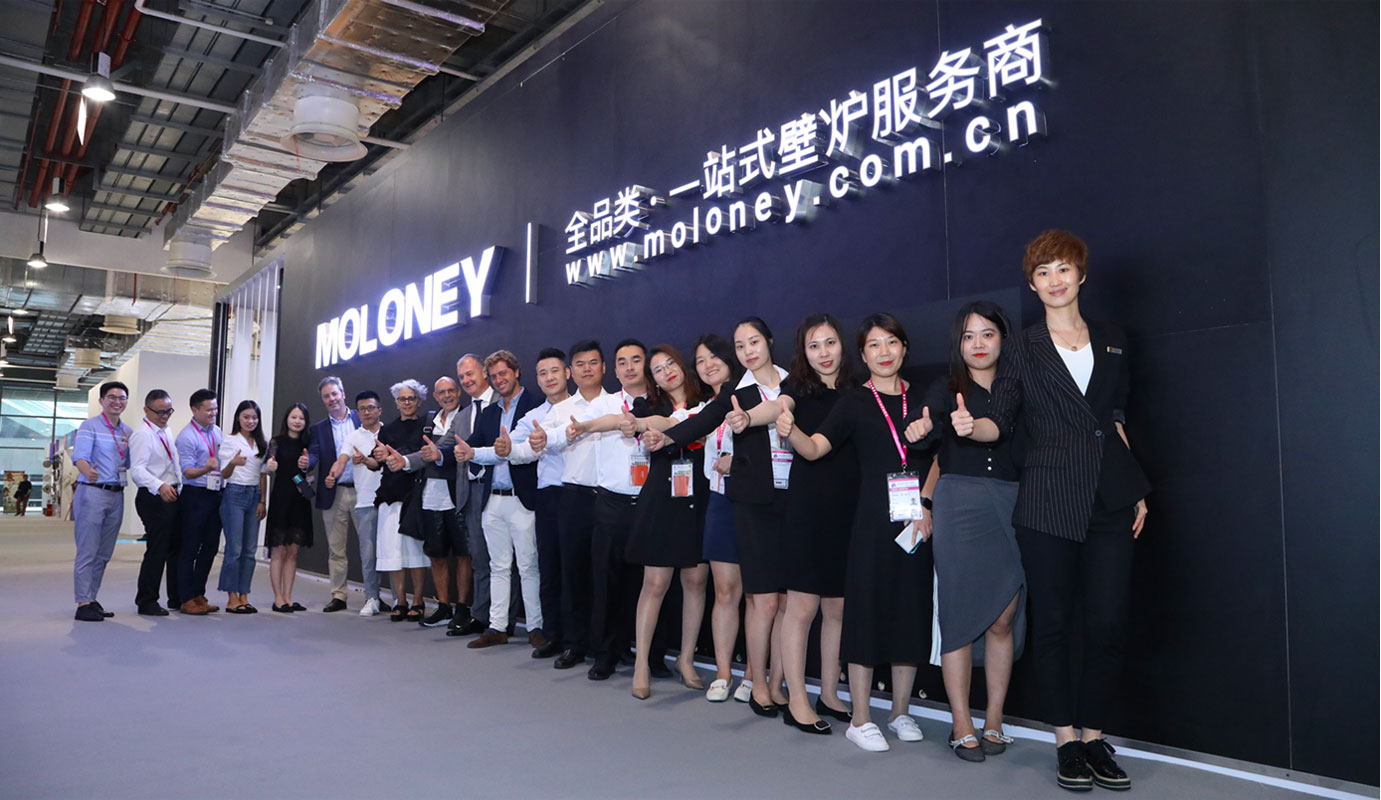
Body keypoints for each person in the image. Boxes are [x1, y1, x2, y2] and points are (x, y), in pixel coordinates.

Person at [954, 231, 1150, 791]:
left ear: (1081, 275)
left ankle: (1094, 737)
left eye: (1063, 268)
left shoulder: (1112, 339)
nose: (1055, 280)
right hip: (1048, 499)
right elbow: (1001, 422)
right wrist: (972, 427)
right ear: (1033, 284)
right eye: (1043, 272)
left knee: (1108, 623)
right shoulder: (1022, 346)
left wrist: (1133, 486)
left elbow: (1114, 418)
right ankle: (1066, 740)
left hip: (1110, 497)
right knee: (1056, 623)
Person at [777, 313, 937, 752]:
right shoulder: (853, 401)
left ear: (904, 347)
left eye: (891, 343)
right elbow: (816, 448)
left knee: (911, 611)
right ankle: (861, 717)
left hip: (914, 519)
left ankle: (900, 711)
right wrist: (792, 433)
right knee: (862, 613)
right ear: (863, 354)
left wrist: (926, 503)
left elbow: (941, 456)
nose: (884, 352)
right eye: (874, 345)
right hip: (867, 520)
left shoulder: (925, 397)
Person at [646, 318, 792, 716]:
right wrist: (668, 438)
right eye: (740, 345)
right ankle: (726, 673)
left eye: (753, 342)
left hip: (781, 498)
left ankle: (761, 678)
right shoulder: (734, 391)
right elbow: (702, 422)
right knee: (727, 590)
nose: (747, 351)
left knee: (770, 597)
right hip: (728, 499)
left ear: (769, 342)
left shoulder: (792, 383)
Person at [911, 301, 1026, 761]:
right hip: (959, 505)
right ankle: (961, 722)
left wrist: (973, 426)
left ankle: (994, 718)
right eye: (968, 336)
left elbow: (1011, 432)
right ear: (958, 344)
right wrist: (921, 428)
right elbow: (926, 429)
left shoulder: (1021, 385)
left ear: (1003, 339)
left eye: (987, 334)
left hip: (1013, 503)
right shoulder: (946, 388)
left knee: (1003, 617)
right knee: (957, 616)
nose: (978, 344)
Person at [750, 313, 860, 733]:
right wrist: (749, 418)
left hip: (849, 510)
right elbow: (778, 408)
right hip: (808, 509)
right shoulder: (796, 388)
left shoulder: (857, 390)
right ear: (803, 352)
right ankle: (796, 699)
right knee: (801, 607)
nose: (823, 353)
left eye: (830, 343)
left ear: (842, 345)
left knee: (838, 608)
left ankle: (829, 693)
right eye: (814, 346)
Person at [619, 344, 714, 699]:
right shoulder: (649, 407)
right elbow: (638, 424)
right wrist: (635, 426)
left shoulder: (709, 401)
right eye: (657, 369)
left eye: (670, 364)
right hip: (661, 497)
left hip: (699, 495)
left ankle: (686, 659)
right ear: (653, 379)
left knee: (696, 580)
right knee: (655, 582)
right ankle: (642, 663)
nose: (666, 372)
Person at [564, 339, 653, 681]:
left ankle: (645, 651)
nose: (629, 367)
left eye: (636, 360)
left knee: (648, 583)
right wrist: (553, 437)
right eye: (622, 362)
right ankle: (605, 653)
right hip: (611, 504)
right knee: (606, 582)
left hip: (650, 505)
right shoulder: (604, 404)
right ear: (613, 370)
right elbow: (570, 429)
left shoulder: (661, 401)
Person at [456, 350, 545, 650]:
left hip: (523, 499)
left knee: (529, 566)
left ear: (516, 372)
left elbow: (524, 450)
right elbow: (473, 447)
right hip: (492, 500)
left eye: (503, 373)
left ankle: (535, 627)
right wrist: (458, 452)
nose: (499, 380)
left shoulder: (536, 406)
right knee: (498, 566)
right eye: (493, 376)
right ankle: (497, 626)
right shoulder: (490, 412)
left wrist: (477, 452)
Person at [687, 334, 751, 702]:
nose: (708, 365)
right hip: (720, 501)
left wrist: (737, 463)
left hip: (756, 503)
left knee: (759, 595)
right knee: (725, 590)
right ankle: (724, 672)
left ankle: (754, 674)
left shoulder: (754, 397)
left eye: (714, 357)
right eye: (700, 360)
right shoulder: (705, 409)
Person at [537, 341, 609, 669]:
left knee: (608, 576)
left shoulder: (618, 403)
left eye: (593, 363)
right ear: (572, 371)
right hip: (575, 498)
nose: (587, 369)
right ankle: (574, 643)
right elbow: (544, 440)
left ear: (604, 367)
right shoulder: (560, 410)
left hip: (611, 498)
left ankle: (607, 645)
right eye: (580, 364)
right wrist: (529, 443)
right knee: (573, 574)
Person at [503, 347, 573, 658]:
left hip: (581, 494)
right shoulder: (533, 417)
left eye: (554, 371)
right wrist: (504, 450)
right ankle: (553, 635)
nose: (549, 378)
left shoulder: (584, 408)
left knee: (578, 569)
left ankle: (580, 639)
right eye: (542, 373)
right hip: (548, 496)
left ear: (567, 373)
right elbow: (519, 451)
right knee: (550, 568)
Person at [70, 381, 132, 621]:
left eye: (122, 398)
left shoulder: (127, 432)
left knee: (104, 553)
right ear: (101, 401)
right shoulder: (90, 426)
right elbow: (80, 457)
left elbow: (129, 462)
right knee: (88, 550)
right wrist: (87, 471)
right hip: (93, 492)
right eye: (112, 397)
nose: (117, 402)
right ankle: (82, 602)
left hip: (117, 493)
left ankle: (92, 598)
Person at [325, 391, 389, 616]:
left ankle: (398, 599)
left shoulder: (389, 432)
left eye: (371, 408)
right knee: (368, 554)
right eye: (362, 409)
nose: (367, 412)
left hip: (391, 501)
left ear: (379, 409)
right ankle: (372, 597)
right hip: (365, 502)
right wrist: (333, 474)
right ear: (357, 412)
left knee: (392, 552)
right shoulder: (353, 437)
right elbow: (341, 460)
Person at [411, 376, 466, 629]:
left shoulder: (467, 418)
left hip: (459, 495)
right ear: (435, 396)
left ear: (458, 392)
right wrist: (404, 461)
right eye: (441, 392)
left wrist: (414, 460)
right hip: (430, 496)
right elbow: (421, 453)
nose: (447, 396)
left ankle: (462, 608)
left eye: (451, 390)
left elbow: (445, 452)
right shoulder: (427, 421)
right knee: (437, 554)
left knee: (464, 554)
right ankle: (444, 606)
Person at [375, 381, 432, 622]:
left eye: (411, 398)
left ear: (419, 401)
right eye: (402, 399)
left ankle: (418, 601)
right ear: (396, 402)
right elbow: (376, 460)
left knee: (415, 553)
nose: (406, 403)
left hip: (416, 496)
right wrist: (377, 456)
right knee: (392, 553)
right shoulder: (386, 430)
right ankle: (400, 600)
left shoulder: (427, 426)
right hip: (390, 495)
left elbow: (427, 456)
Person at [305, 377, 360, 613]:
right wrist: (307, 462)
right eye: (326, 396)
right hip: (333, 493)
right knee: (336, 550)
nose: (332, 399)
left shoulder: (361, 418)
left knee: (371, 546)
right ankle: (339, 595)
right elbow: (314, 455)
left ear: (343, 394)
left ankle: (374, 596)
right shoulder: (318, 429)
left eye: (335, 394)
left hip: (363, 491)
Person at [174, 389, 227, 616]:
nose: (213, 413)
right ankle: (186, 598)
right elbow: (187, 472)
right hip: (195, 495)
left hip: (216, 494)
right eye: (209, 410)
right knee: (190, 548)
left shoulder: (217, 431)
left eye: (215, 409)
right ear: (195, 410)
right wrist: (206, 468)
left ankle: (198, 594)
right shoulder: (186, 437)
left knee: (210, 547)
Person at [129, 389, 182, 616]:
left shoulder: (165, 430)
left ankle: (176, 597)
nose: (164, 416)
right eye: (159, 412)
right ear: (146, 410)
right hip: (153, 497)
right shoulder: (142, 435)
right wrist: (159, 486)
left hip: (172, 494)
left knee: (175, 548)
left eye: (168, 411)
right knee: (157, 550)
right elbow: (137, 470)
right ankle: (147, 600)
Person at [217, 400, 268, 614]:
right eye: (246, 417)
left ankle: (244, 594)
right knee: (234, 549)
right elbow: (223, 474)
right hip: (234, 494)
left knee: (249, 550)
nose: (250, 421)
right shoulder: (229, 440)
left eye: (254, 417)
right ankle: (231, 596)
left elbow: (263, 474)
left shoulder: (262, 443)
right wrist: (233, 463)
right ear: (238, 418)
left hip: (254, 495)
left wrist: (263, 500)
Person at [264, 403, 314, 612]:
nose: (297, 421)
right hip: (281, 499)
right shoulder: (276, 442)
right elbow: (266, 466)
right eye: (294, 417)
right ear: (287, 418)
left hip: (300, 499)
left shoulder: (308, 443)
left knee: (293, 552)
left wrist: (308, 464)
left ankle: (288, 597)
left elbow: (311, 469)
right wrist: (270, 467)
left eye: (301, 418)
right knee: (279, 550)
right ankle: (277, 598)